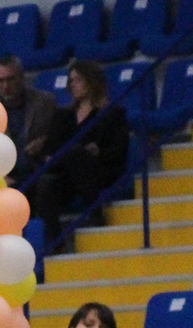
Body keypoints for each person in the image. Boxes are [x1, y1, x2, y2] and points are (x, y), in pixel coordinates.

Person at [29, 60, 130, 250]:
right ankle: (54, 243)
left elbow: (118, 150)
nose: (73, 84)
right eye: (71, 80)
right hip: (67, 173)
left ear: (92, 81)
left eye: (78, 80)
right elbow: (50, 148)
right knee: (46, 182)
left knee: (74, 151)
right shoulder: (64, 115)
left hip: (99, 170)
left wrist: (98, 151)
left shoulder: (112, 113)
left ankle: (95, 211)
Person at [0, 53, 56, 185]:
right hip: (3, 174)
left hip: (37, 170)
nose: (5, 86)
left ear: (21, 77)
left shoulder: (44, 102)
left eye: (10, 79)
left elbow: (57, 134)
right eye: (0, 81)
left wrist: (44, 142)